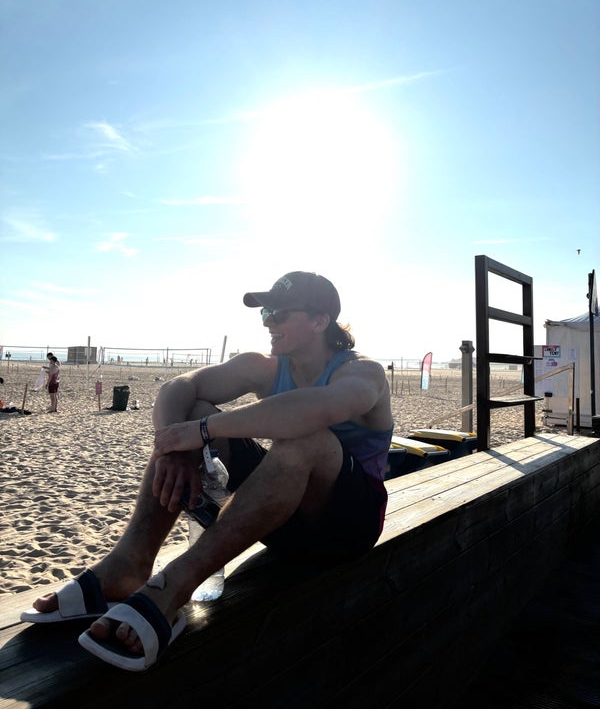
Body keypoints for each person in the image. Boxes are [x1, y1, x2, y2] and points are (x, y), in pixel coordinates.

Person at [22, 271, 394, 671]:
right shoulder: (265, 367)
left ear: (320, 320)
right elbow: (180, 385)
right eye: (266, 313)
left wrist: (200, 431)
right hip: (284, 524)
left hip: (347, 532)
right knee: (193, 409)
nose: (268, 323)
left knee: (307, 438)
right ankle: (126, 566)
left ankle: (174, 587)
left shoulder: (362, 373)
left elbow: (314, 410)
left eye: (280, 314)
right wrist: (173, 447)